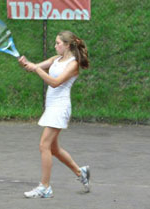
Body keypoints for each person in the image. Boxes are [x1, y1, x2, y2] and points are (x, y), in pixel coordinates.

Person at [18, 30, 90, 198]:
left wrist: (36, 69)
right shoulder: (55, 60)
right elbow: (33, 67)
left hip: (60, 108)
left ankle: (45, 187)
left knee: (44, 145)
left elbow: (56, 82)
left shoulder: (73, 64)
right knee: (54, 149)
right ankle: (81, 173)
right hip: (51, 107)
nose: (55, 46)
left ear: (67, 45)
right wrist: (26, 63)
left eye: (58, 43)